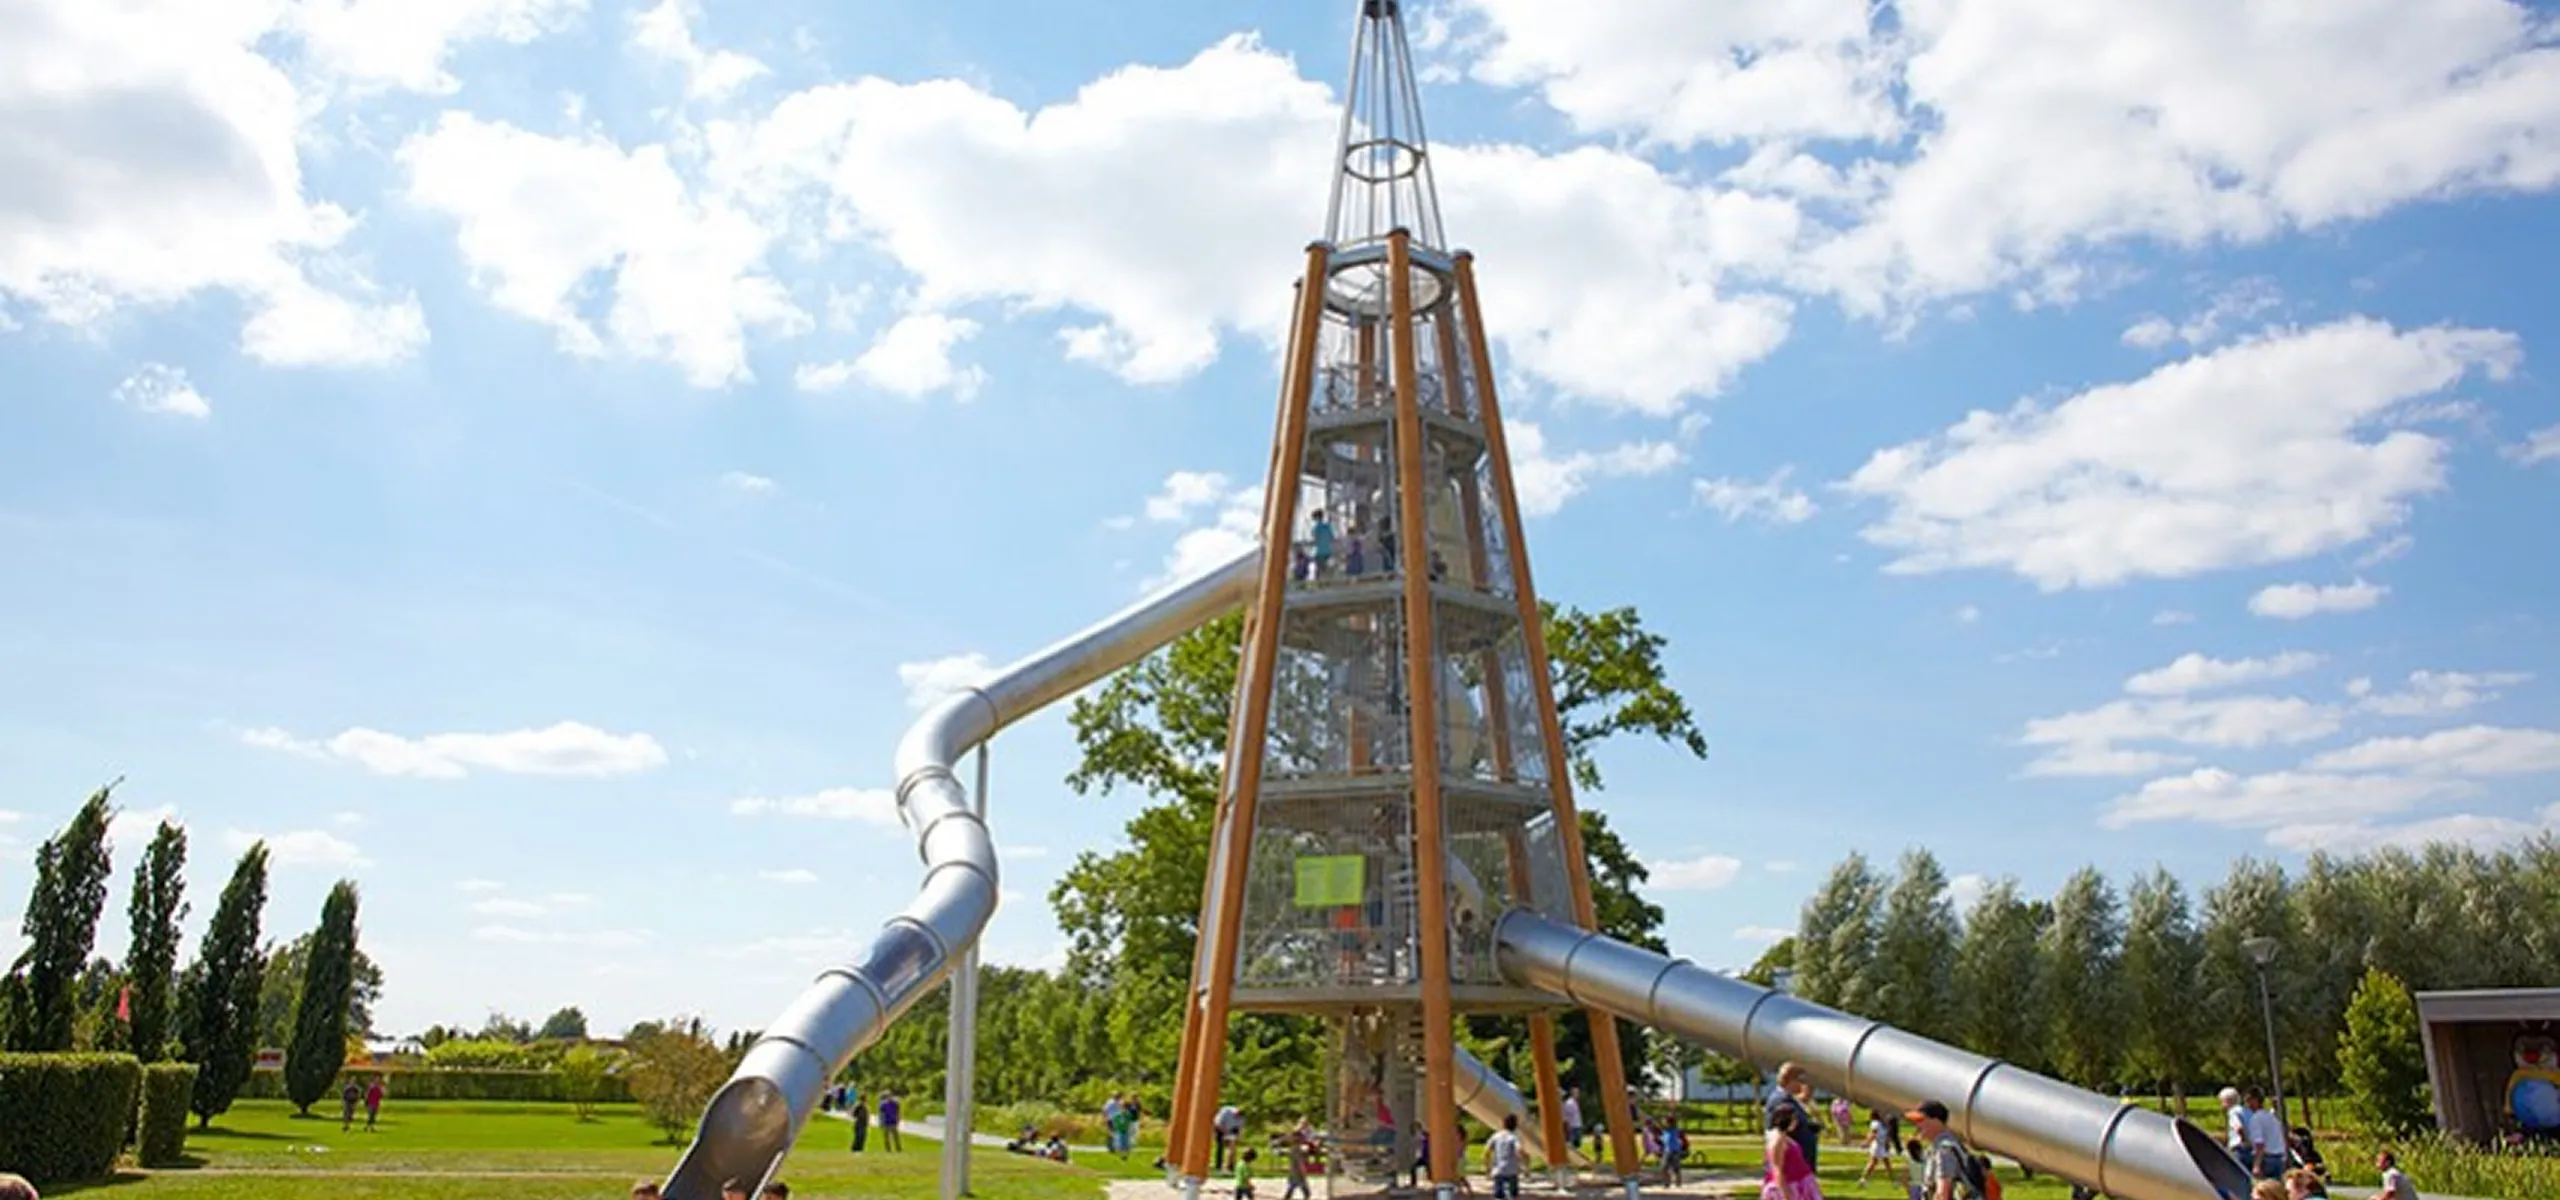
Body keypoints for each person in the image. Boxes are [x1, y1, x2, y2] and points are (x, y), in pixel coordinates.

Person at [1911, 1100, 1981, 1200]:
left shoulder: (1944, 1150)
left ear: (1935, 1121)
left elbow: (1942, 1193)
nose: (1917, 1125)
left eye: (1920, 1120)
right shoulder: (1940, 1147)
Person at [1769, 1063, 1820, 1171]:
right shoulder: (1781, 1101)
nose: (1802, 1085)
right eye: (1800, 1081)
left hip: (1799, 1161)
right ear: (1790, 1080)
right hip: (1790, 1164)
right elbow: (1783, 1130)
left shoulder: (1789, 1099)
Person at [1765, 1105, 1824, 1200]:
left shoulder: (1784, 1137)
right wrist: (1786, 1195)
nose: (1796, 1122)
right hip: (1792, 1185)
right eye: (1793, 1119)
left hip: (1801, 1182)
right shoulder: (1777, 1141)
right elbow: (1777, 1169)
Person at [2245, 1090, 2284, 1181]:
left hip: (2266, 1159)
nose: (2247, 1105)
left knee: (2265, 1190)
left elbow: (2259, 1144)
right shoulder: (2271, 1117)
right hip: (2279, 1158)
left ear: (2255, 1100)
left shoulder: (2256, 1119)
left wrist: (2256, 1165)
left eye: (2248, 1101)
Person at [1486, 1113, 1524, 1199]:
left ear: (1503, 1123)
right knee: (1513, 1195)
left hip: (1498, 1169)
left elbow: (1487, 1152)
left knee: (1499, 1196)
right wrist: (1522, 1164)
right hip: (1512, 1170)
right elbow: (1520, 1150)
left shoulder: (1495, 1136)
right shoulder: (1514, 1137)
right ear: (1515, 1125)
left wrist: (1487, 1167)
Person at [1862, 1107, 1902, 1183]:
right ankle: (1864, 1178)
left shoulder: (1882, 1123)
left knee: (1886, 1163)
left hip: (1883, 1145)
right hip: (1878, 1145)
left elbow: (1886, 1135)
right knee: (1873, 1162)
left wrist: (1887, 1143)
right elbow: (1873, 1134)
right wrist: (1867, 1143)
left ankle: (1893, 1179)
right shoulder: (1875, 1123)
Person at [1283, 1118, 1319, 1200]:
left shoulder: (1296, 1148)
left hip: (1296, 1170)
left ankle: (1291, 1195)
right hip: (1296, 1170)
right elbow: (1298, 1162)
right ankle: (1294, 1195)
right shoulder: (1296, 1148)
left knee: (1296, 1183)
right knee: (1296, 1183)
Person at [2218, 1088, 2251, 1174]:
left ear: (2227, 1101)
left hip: (2239, 1149)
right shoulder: (2246, 1111)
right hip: (2251, 1149)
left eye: (2222, 1101)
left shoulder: (2233, 1112)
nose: (2221, 1105)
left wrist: (2244, 1140)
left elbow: (2238, 1127)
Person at [1214, 1103, 1245, 1173]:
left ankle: (1230, 1166)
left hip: (1231, 1131)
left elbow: (1240, 1129)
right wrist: (1225, 1132)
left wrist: (1238, 1137)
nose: (1238, 1118)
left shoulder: (1242, 1118)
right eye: (1237, 1115)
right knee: (1220, 1147)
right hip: (1220, 1128)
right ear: (1236, 1111)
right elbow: (1217, 1123)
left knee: (1232, 1149)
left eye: (1239, 1117)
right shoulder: (1226, 1111)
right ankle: (1218, 1167)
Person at [1562, 1087, 1585, 1155]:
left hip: (1577, 1124)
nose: (1578, 1094)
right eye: (1576, 1093)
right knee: (1572, 1142)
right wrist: (1568, 1125)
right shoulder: (1569, 1103)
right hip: (1572, 1125)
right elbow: (1566, 1115)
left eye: (1578, 1093)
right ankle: (1571, 1156)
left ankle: (1577, 1156)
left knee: (1578, 1143)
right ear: (1572, 1094)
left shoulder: (1575, 1102)